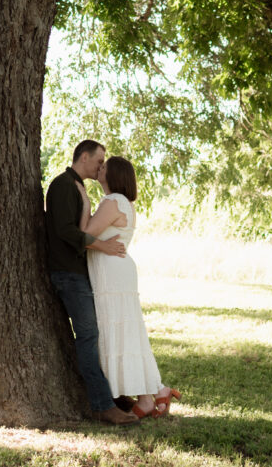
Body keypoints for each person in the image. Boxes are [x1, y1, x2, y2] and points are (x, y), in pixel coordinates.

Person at [78, 155, 181, 419]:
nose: (100, 170)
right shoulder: (123, 203)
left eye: (105, 167)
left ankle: (152, 393)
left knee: (120, 330)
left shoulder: (113, 202)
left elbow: (86, 233)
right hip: (115, 270)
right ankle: (151, 395)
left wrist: (84, 203)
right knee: (128, 332)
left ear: (115, 176)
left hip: (112, 273)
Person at [45, 140, 139, 425]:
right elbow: (65, 231)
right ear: (83, 157)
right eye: (99, 162)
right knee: (88, 337)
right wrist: (102, 246)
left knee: (94, 336)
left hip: (77, 273)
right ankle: (102, 405)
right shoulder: (63, 185)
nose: (101, 168)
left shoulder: (79, 187)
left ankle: (114, 398)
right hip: (68, 273)